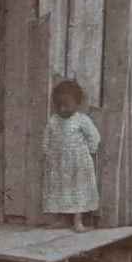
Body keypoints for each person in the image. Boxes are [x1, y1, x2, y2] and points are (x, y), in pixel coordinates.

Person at [42, 79, 101, 232]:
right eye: (59, 105)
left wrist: (91, 150)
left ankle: (78, 221)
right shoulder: (53, 121)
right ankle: (62, 219)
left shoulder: (82, 120)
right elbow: (47, 137)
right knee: (61, 189)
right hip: (59, 164)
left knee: (78, 190)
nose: (62, 108)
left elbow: (94, 136)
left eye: (66, 105)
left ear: (77, 104)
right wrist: (47, 151)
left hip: (78, 164)